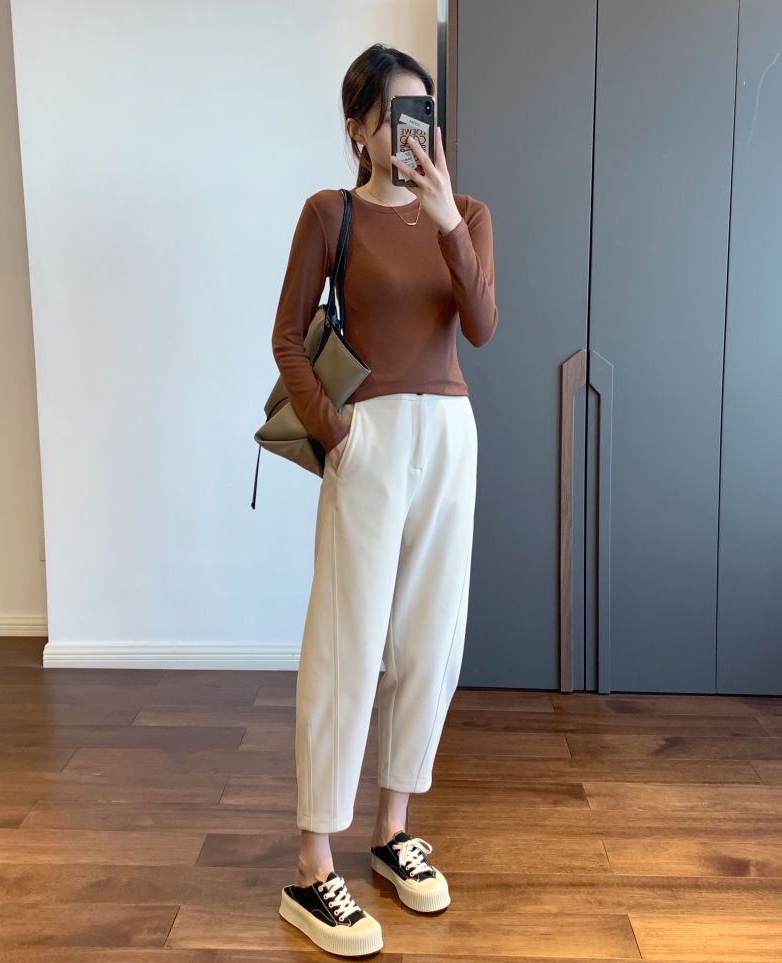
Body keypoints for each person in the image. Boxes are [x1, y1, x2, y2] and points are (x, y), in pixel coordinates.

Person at [272, 42, 497, 956]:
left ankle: (392, 830)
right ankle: (311, 867)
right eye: (395, 114)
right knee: (346, 645)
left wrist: (446, 223)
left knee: (427, 641)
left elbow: (482, 325)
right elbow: (288, 337)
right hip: (368, 441)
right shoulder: (330, 214)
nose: (412, 132)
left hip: (449, 439)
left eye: (423, 113)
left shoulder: (468, 213)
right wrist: (337, 432)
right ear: (359, 127)